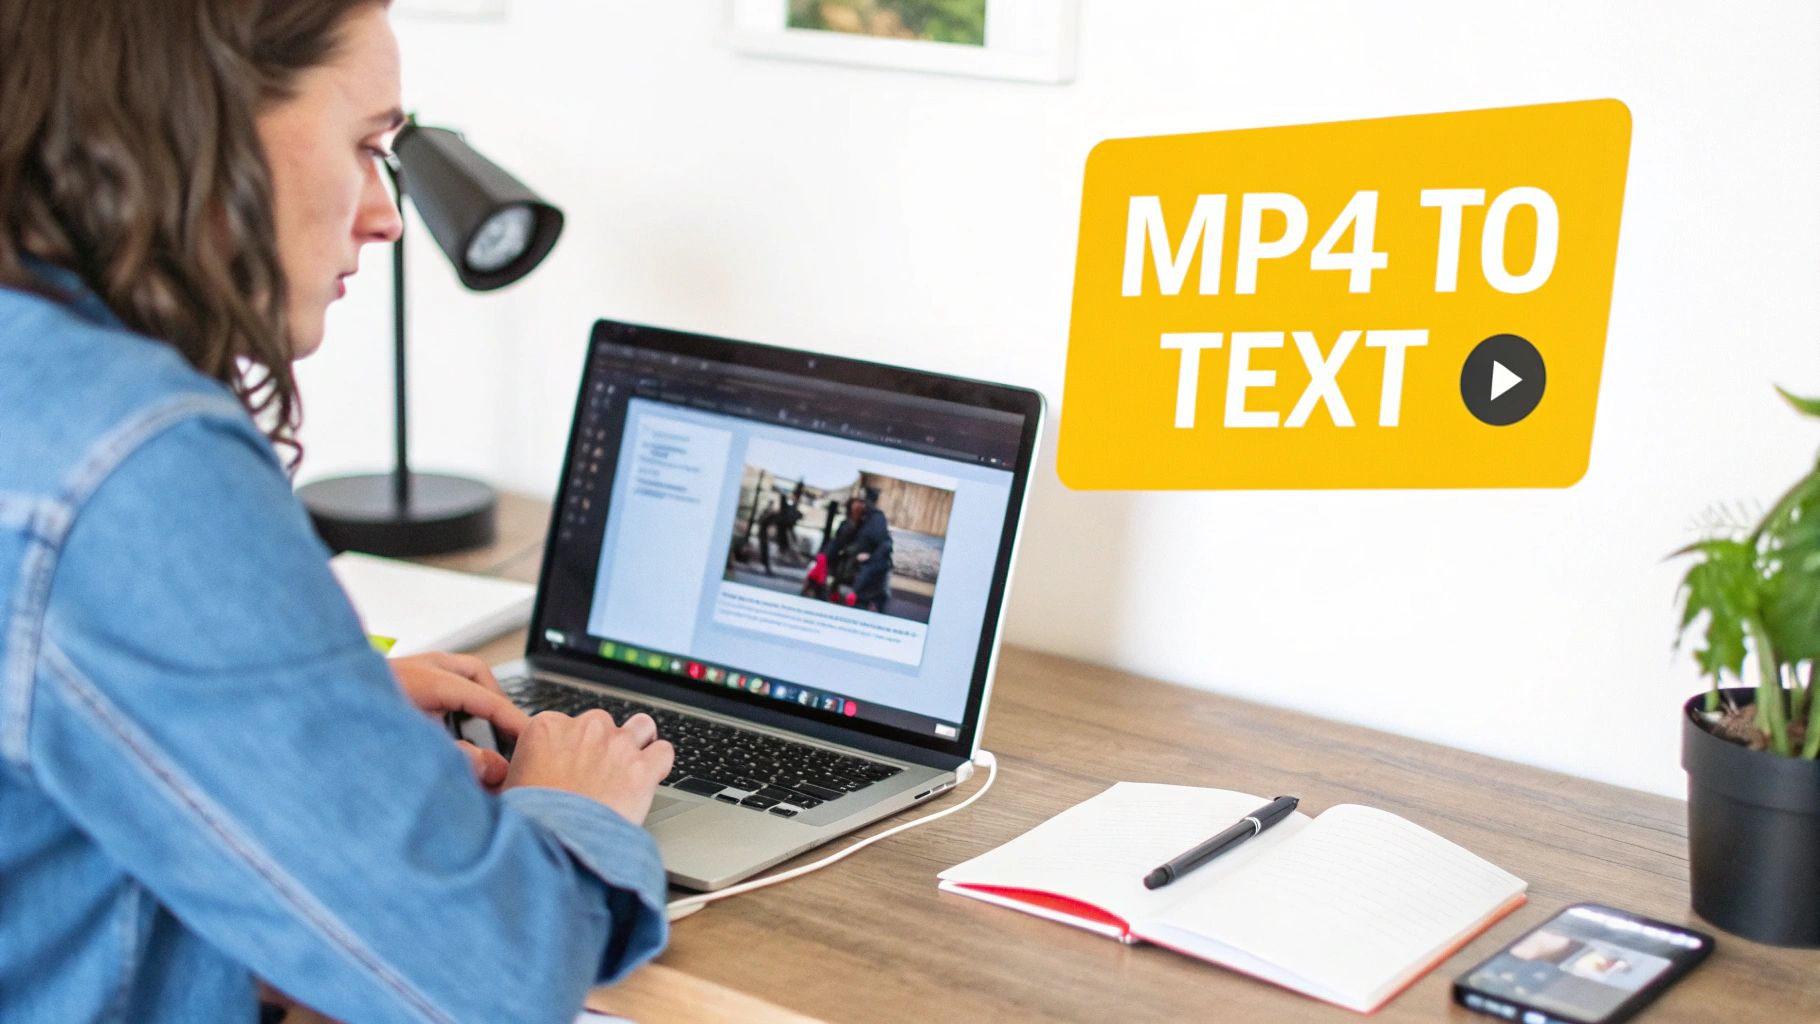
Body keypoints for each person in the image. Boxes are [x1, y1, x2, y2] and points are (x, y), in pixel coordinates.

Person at [0, 3, 675, 1022]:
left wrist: (303, 713)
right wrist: (574, 805)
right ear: (204, 121)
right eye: (366, 146)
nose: (387, 213)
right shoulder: (137, 460)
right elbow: (488, 973)